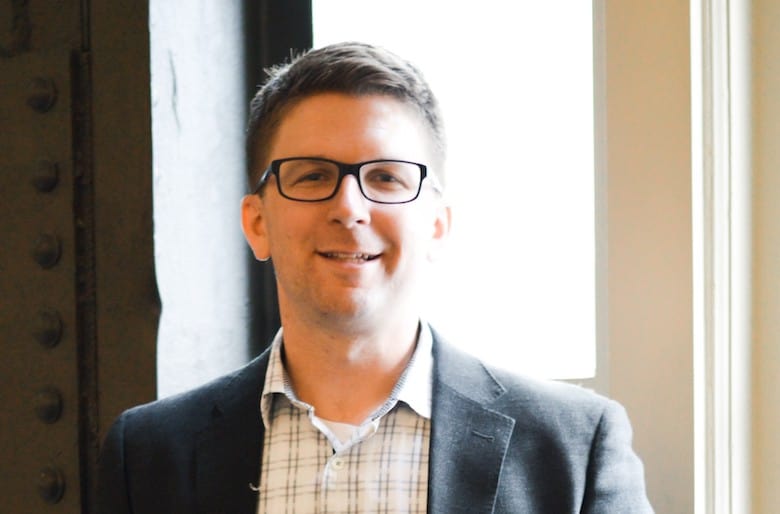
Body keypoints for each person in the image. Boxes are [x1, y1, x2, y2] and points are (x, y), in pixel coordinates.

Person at [97, 42, 653, 513]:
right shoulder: (148, 454)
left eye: (385, 177)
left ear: (436, 225)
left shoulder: (574, 449)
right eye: (312, 175)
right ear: (257, 223)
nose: (349, 207)